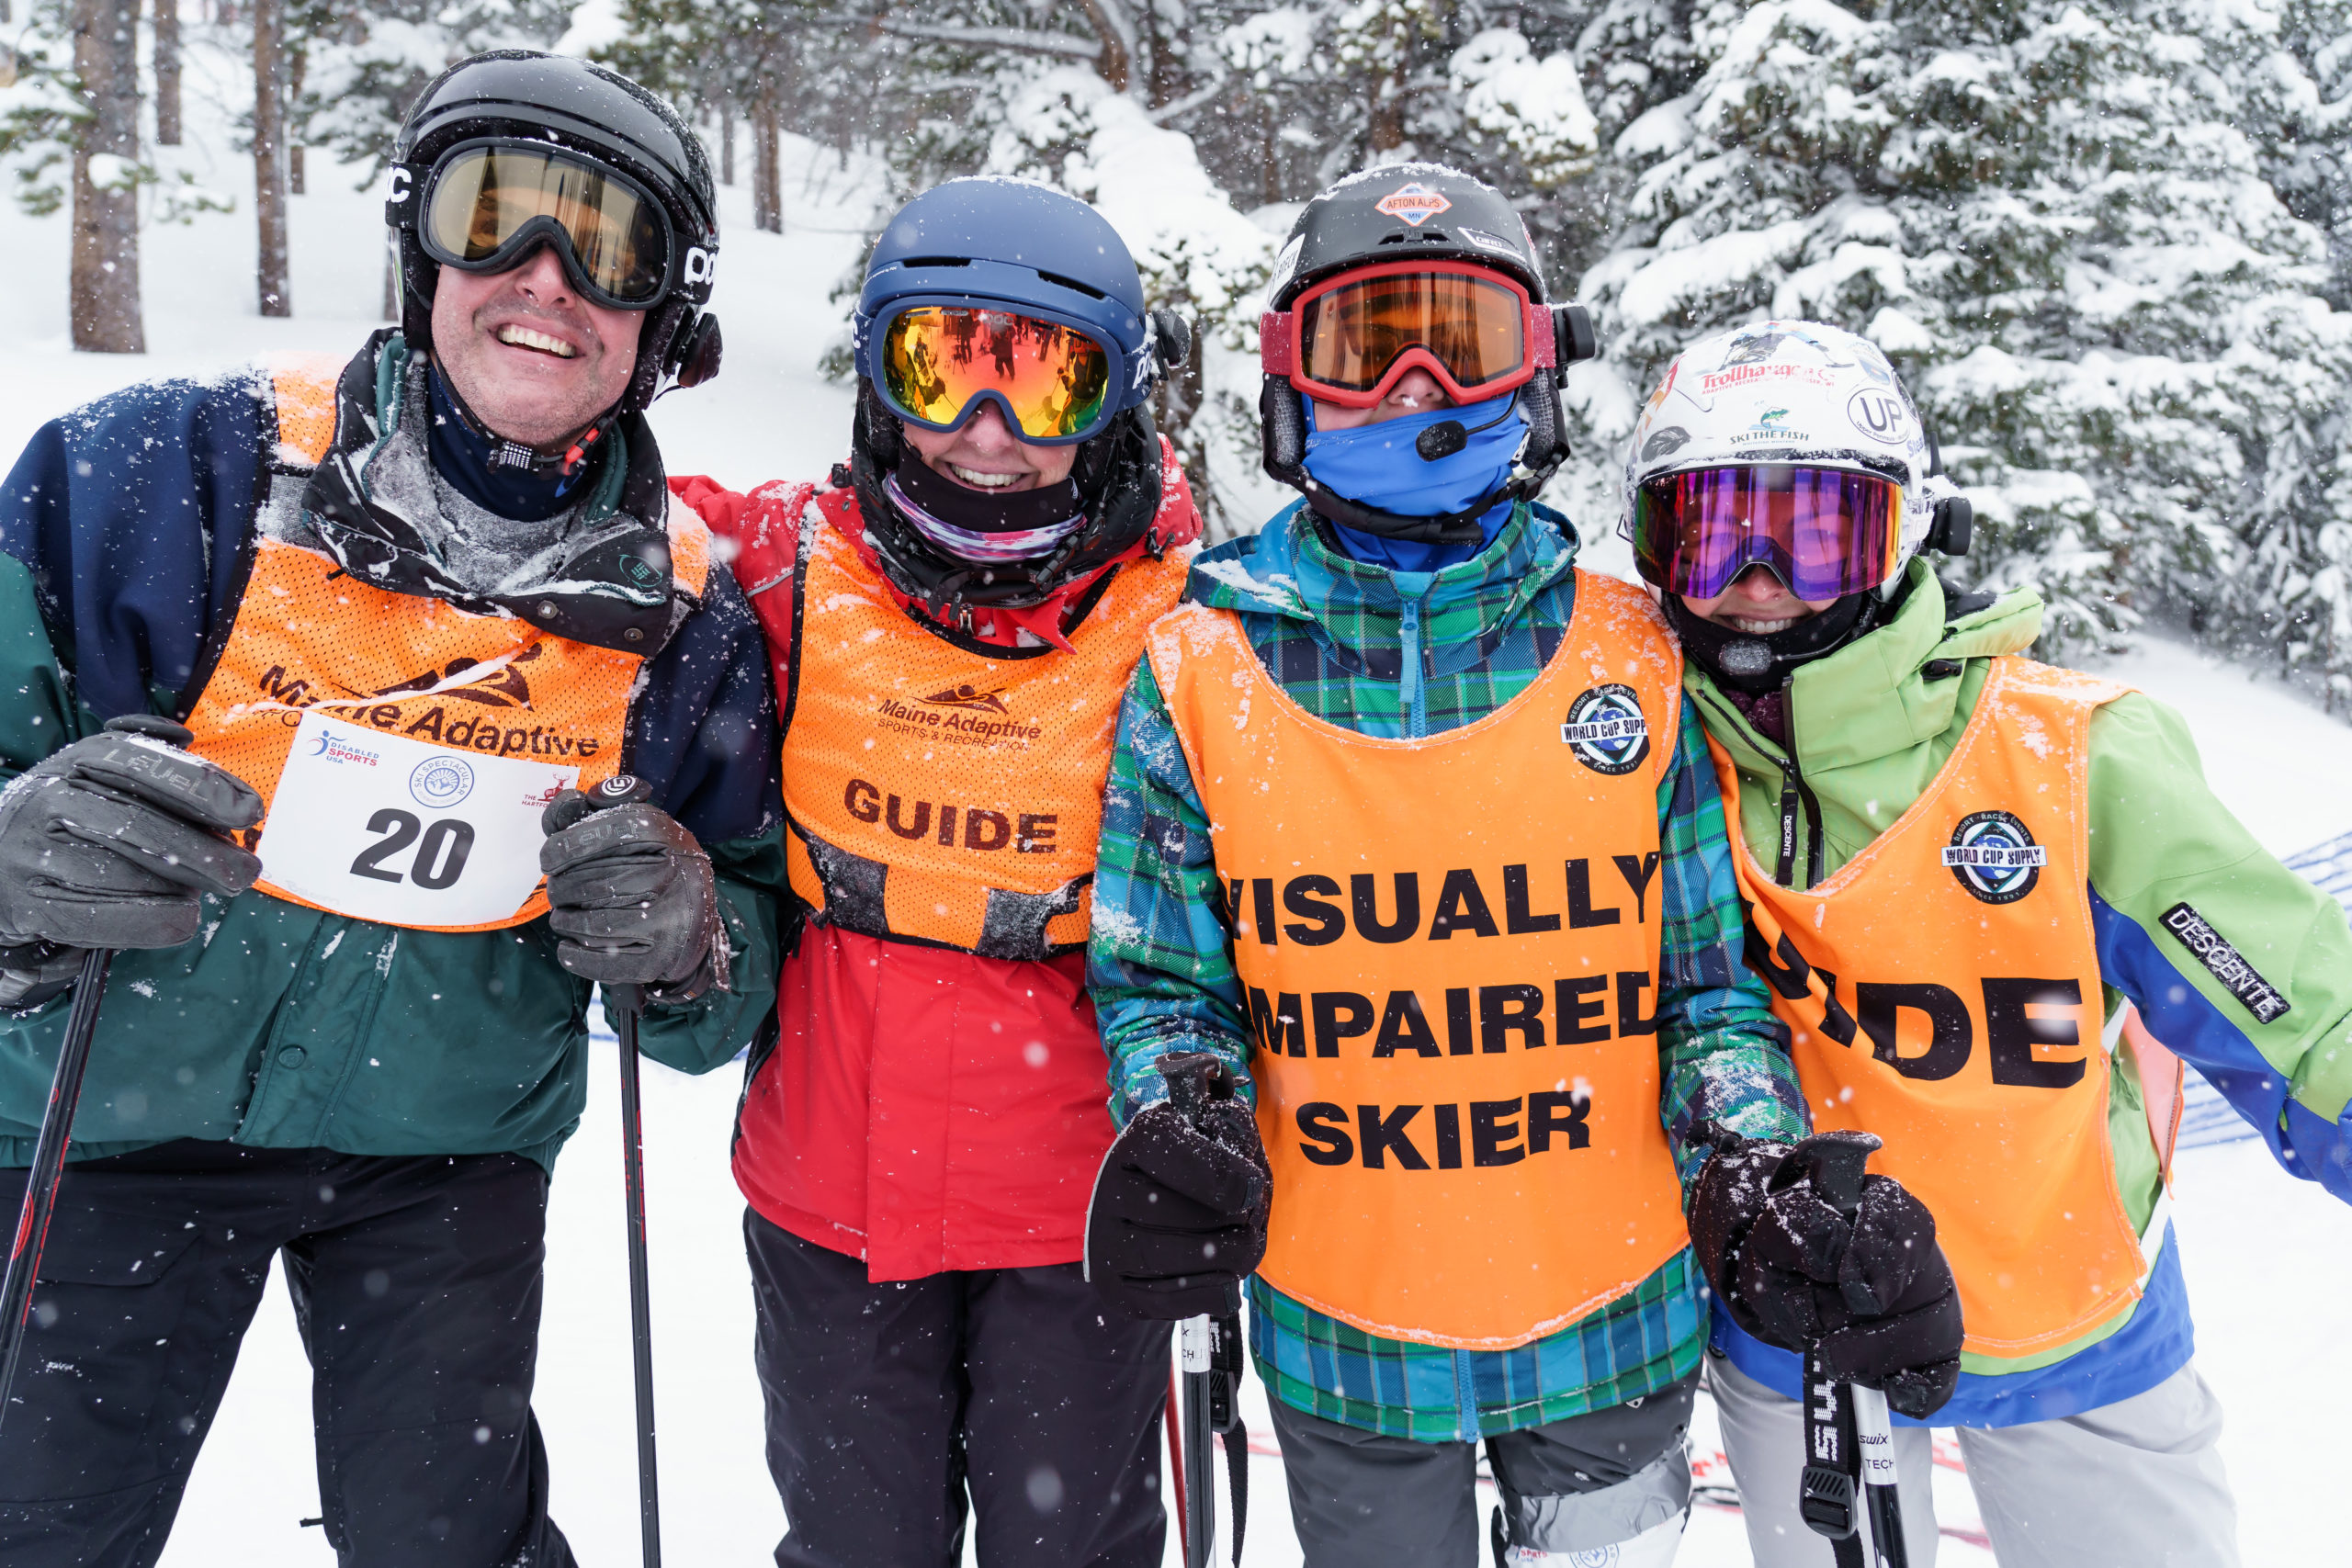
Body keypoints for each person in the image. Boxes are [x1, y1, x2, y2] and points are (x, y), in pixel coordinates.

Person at [0, 51, 782, 1567]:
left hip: (444, 1158)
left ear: (663, 313)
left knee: (451, 1539)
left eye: (605, 247)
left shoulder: (688, 618)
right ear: (420, 239)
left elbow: (721, 982)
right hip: (110, 1125)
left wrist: (689, 944)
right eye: (496, 217)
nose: (542, 281)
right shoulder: (166, 471)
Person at [1083, 165, 1928, 1568]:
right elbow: (1161, 983)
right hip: (1347, 1330)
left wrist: (1753, 1159)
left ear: (1535, 375)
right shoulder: (1200, 662)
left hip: (1611, 1320)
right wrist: (1186, 1114)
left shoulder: (1635, 653)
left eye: (1464, 345)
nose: (1421, 391)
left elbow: (1709, 992)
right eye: (1369, 349)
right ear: (1295, 381)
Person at [1624, 319, 2352, 1566]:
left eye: (1812, 532)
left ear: (1902, 531)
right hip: (1801, 1318)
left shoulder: (2070, 751)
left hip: (2068, 1305)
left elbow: (2294, 1013)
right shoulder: (1646, 749)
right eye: (1709, 534)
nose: (1758, 578)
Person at [667, 178, 1202, 1568]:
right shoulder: (791, 564)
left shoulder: (1187, 609)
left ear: (1117, 399)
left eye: (1045, 382)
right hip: (832, 1188)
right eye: (942, 365)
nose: (987, 432)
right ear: (877, 375)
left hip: (1082, 1206)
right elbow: (599, 508)